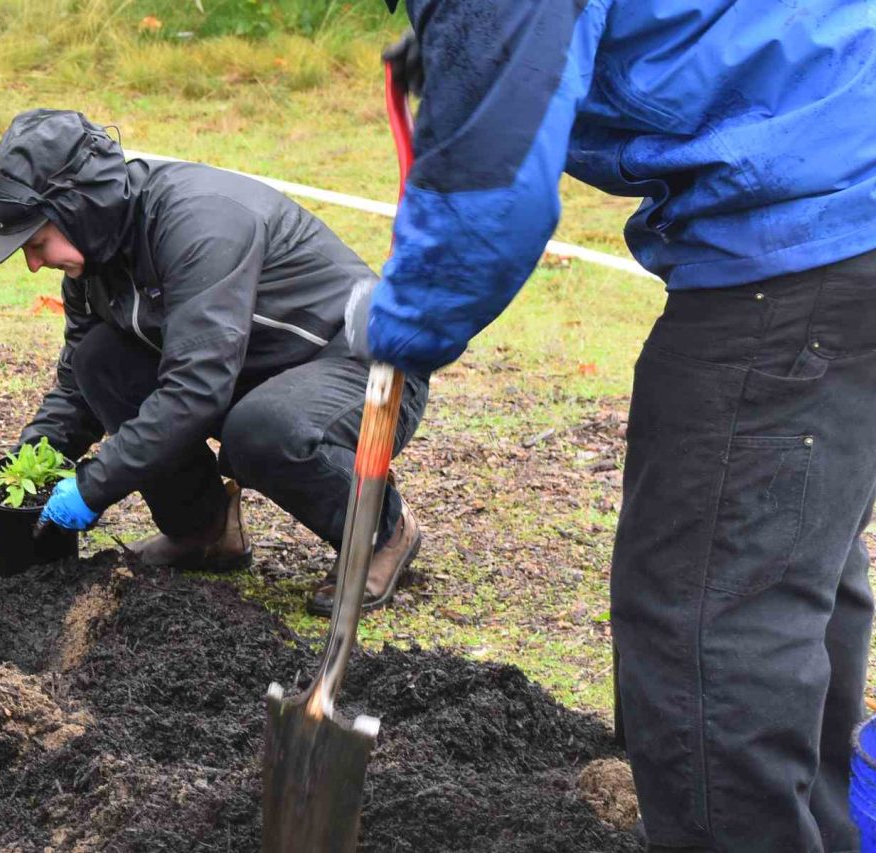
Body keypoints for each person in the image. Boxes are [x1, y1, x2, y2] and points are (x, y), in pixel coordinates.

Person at [355, 3, 876, 849]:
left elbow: (491, 197)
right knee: (785, 574)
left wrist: (400, 317)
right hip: (846, 203)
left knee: (704, 630)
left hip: (798, 245)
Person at [0, 109, 429, 614]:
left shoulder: (200, 224)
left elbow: (197, 389)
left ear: (78, 208)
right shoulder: (93, 265)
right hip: (255, 370)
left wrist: (92, 486)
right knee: (99, 360)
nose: (33, 262)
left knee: (260, 429)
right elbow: (75, 387)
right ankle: (205, 531)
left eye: (37, 242)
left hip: (367, 369)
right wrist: (20, 466)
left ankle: (382, 532)